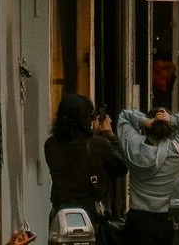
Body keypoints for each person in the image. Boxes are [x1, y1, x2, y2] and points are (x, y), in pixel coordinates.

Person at [115, 106, 179, 245]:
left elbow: (124, 116)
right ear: (170, 129)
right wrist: (171, 119)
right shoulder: (178, 150)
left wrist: (144, 121)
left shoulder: (133, 148)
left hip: (138, 222)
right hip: (169, 222)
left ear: (147, 128)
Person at [45, 93, 129, 222]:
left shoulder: (50, 144)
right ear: (85, 119)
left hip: (60, 213)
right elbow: (121, 167)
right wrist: (107, 134)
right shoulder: (99, 145)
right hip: (89, 214)